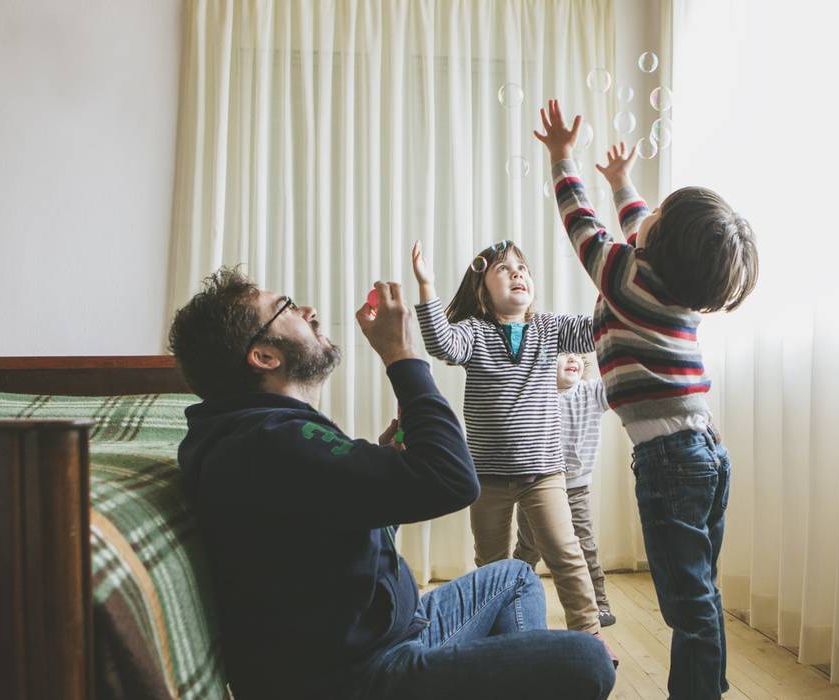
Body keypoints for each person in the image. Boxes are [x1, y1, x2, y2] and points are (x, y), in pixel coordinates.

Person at [167, 268, 615, 699]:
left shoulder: (261, 437)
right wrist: (401, 355)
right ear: (264, 356)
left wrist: (385, 475)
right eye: (285, 308)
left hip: (397, 632)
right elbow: (455, 480)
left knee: (516, 577)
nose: (309, 311)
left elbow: (336, 536)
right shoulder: (275, 443)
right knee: (588, 661)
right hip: (364, 679)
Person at [535, 99, 759, 699]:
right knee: (700, 591)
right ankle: (707, 682)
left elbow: (581, 224)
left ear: (657, 243)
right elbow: (642, 225)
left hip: (671, 462)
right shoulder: (671, 284)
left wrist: (563, 159)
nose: (645, 214)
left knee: (687, 603)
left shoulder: (625, 274)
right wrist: (623, 181)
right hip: (705, 453)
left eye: (656, 213)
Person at [410, 240, 616, 661]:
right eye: (504, 269)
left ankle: (590, 634)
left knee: (565, 551)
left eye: (522, 267)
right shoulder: (475, 332)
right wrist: (427, 287)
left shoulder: (549, 329)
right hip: (486, 477)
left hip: (544, 473)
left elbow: (598, 328)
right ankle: (497, 638)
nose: (517, 273)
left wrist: (613, 283)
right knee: (491, 563)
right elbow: (442, 345)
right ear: (483, 290)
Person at [514, 352, 616, 627]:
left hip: (576, 487)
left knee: (585, 545)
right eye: (562, 354)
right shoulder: (536, 395)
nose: (572, 359)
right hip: (536, 487)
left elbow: (616, 380)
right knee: (528, 546)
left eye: (577, 355)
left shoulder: (592, 392)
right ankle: (510, 599)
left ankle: (599, 604)